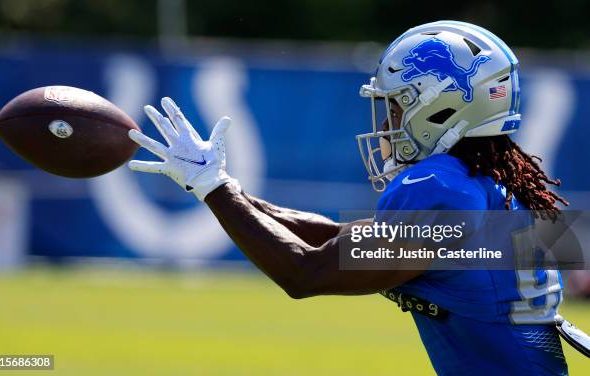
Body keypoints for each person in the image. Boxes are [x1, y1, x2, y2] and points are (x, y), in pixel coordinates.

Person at [127, 21, 570, 375]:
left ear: (442, 107)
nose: (386, 124)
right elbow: (343, 238)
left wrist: (211, 188)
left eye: (396, 105)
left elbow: (305, 271)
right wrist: (227, 189)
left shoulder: (439, 189)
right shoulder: (502, 183)